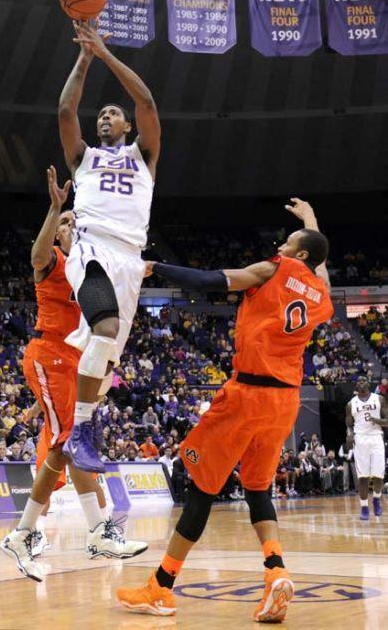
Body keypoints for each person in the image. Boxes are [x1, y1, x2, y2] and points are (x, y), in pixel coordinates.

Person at [117, 198, 334, 623]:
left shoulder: (275, 268)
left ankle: (161, 587)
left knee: (201, 488)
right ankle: (275, 571)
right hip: (286, 400)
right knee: (257, 488)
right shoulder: (320, 292)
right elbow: (322, 267)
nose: (281, 245)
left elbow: (213, 280)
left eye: (289, 243)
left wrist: (156, 268)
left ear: (298, 254)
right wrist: (310, 223)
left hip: (248, 394)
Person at [0, 168, 146, 582]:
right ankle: (95, 532)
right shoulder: (54, 262)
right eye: (64, 224)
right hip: (49, 354)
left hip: (75, 361)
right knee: (70, 440)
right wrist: (55, 208)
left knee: (70, 444)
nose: (69, 226)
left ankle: (25, 532)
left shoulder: (91, 269)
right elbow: (36, 255)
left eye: (72, 221)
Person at [57, 20, 161, 473]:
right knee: (103, 330)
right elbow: (65, 111)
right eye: (101, 114)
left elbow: (148, 102)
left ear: (126, 125)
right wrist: (83, 58)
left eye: (113, 113)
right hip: (92, 246)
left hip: (130, 261)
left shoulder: (144, 155)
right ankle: (81, 430)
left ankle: (86, 420)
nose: (105, 117)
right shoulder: (84, 156)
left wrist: (105, 53)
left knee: (106, 358)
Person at [346, 377, 386, 519]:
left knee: (378, 476)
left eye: (364, 380)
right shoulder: (351, 404)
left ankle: (376, 499)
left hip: (376, 437)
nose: (361, 382)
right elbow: (349, 425)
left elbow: (387, 421)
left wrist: (376, 420)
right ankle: (364, 508)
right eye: (359, 381)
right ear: (356, 384)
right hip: (360, 439)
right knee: (363, 477)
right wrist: (349, 435)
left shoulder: (379, 399)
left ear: (369, 384)